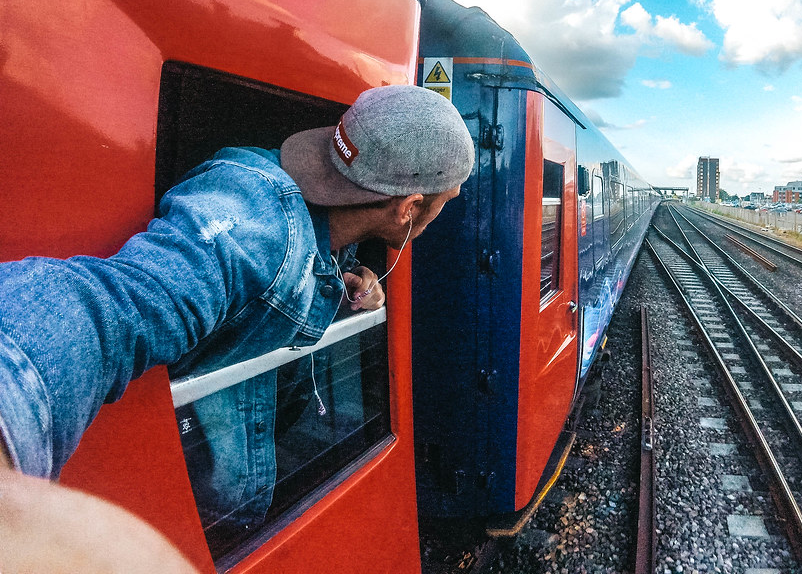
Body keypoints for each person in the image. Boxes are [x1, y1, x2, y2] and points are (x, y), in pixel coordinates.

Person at [0, 84, 474, 569]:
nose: (443, 212)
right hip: (212, 510)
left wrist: (346, 281)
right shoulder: (254, 225)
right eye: (445, 201)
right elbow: (110, 308)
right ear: (409, 208)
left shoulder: (309, 208)